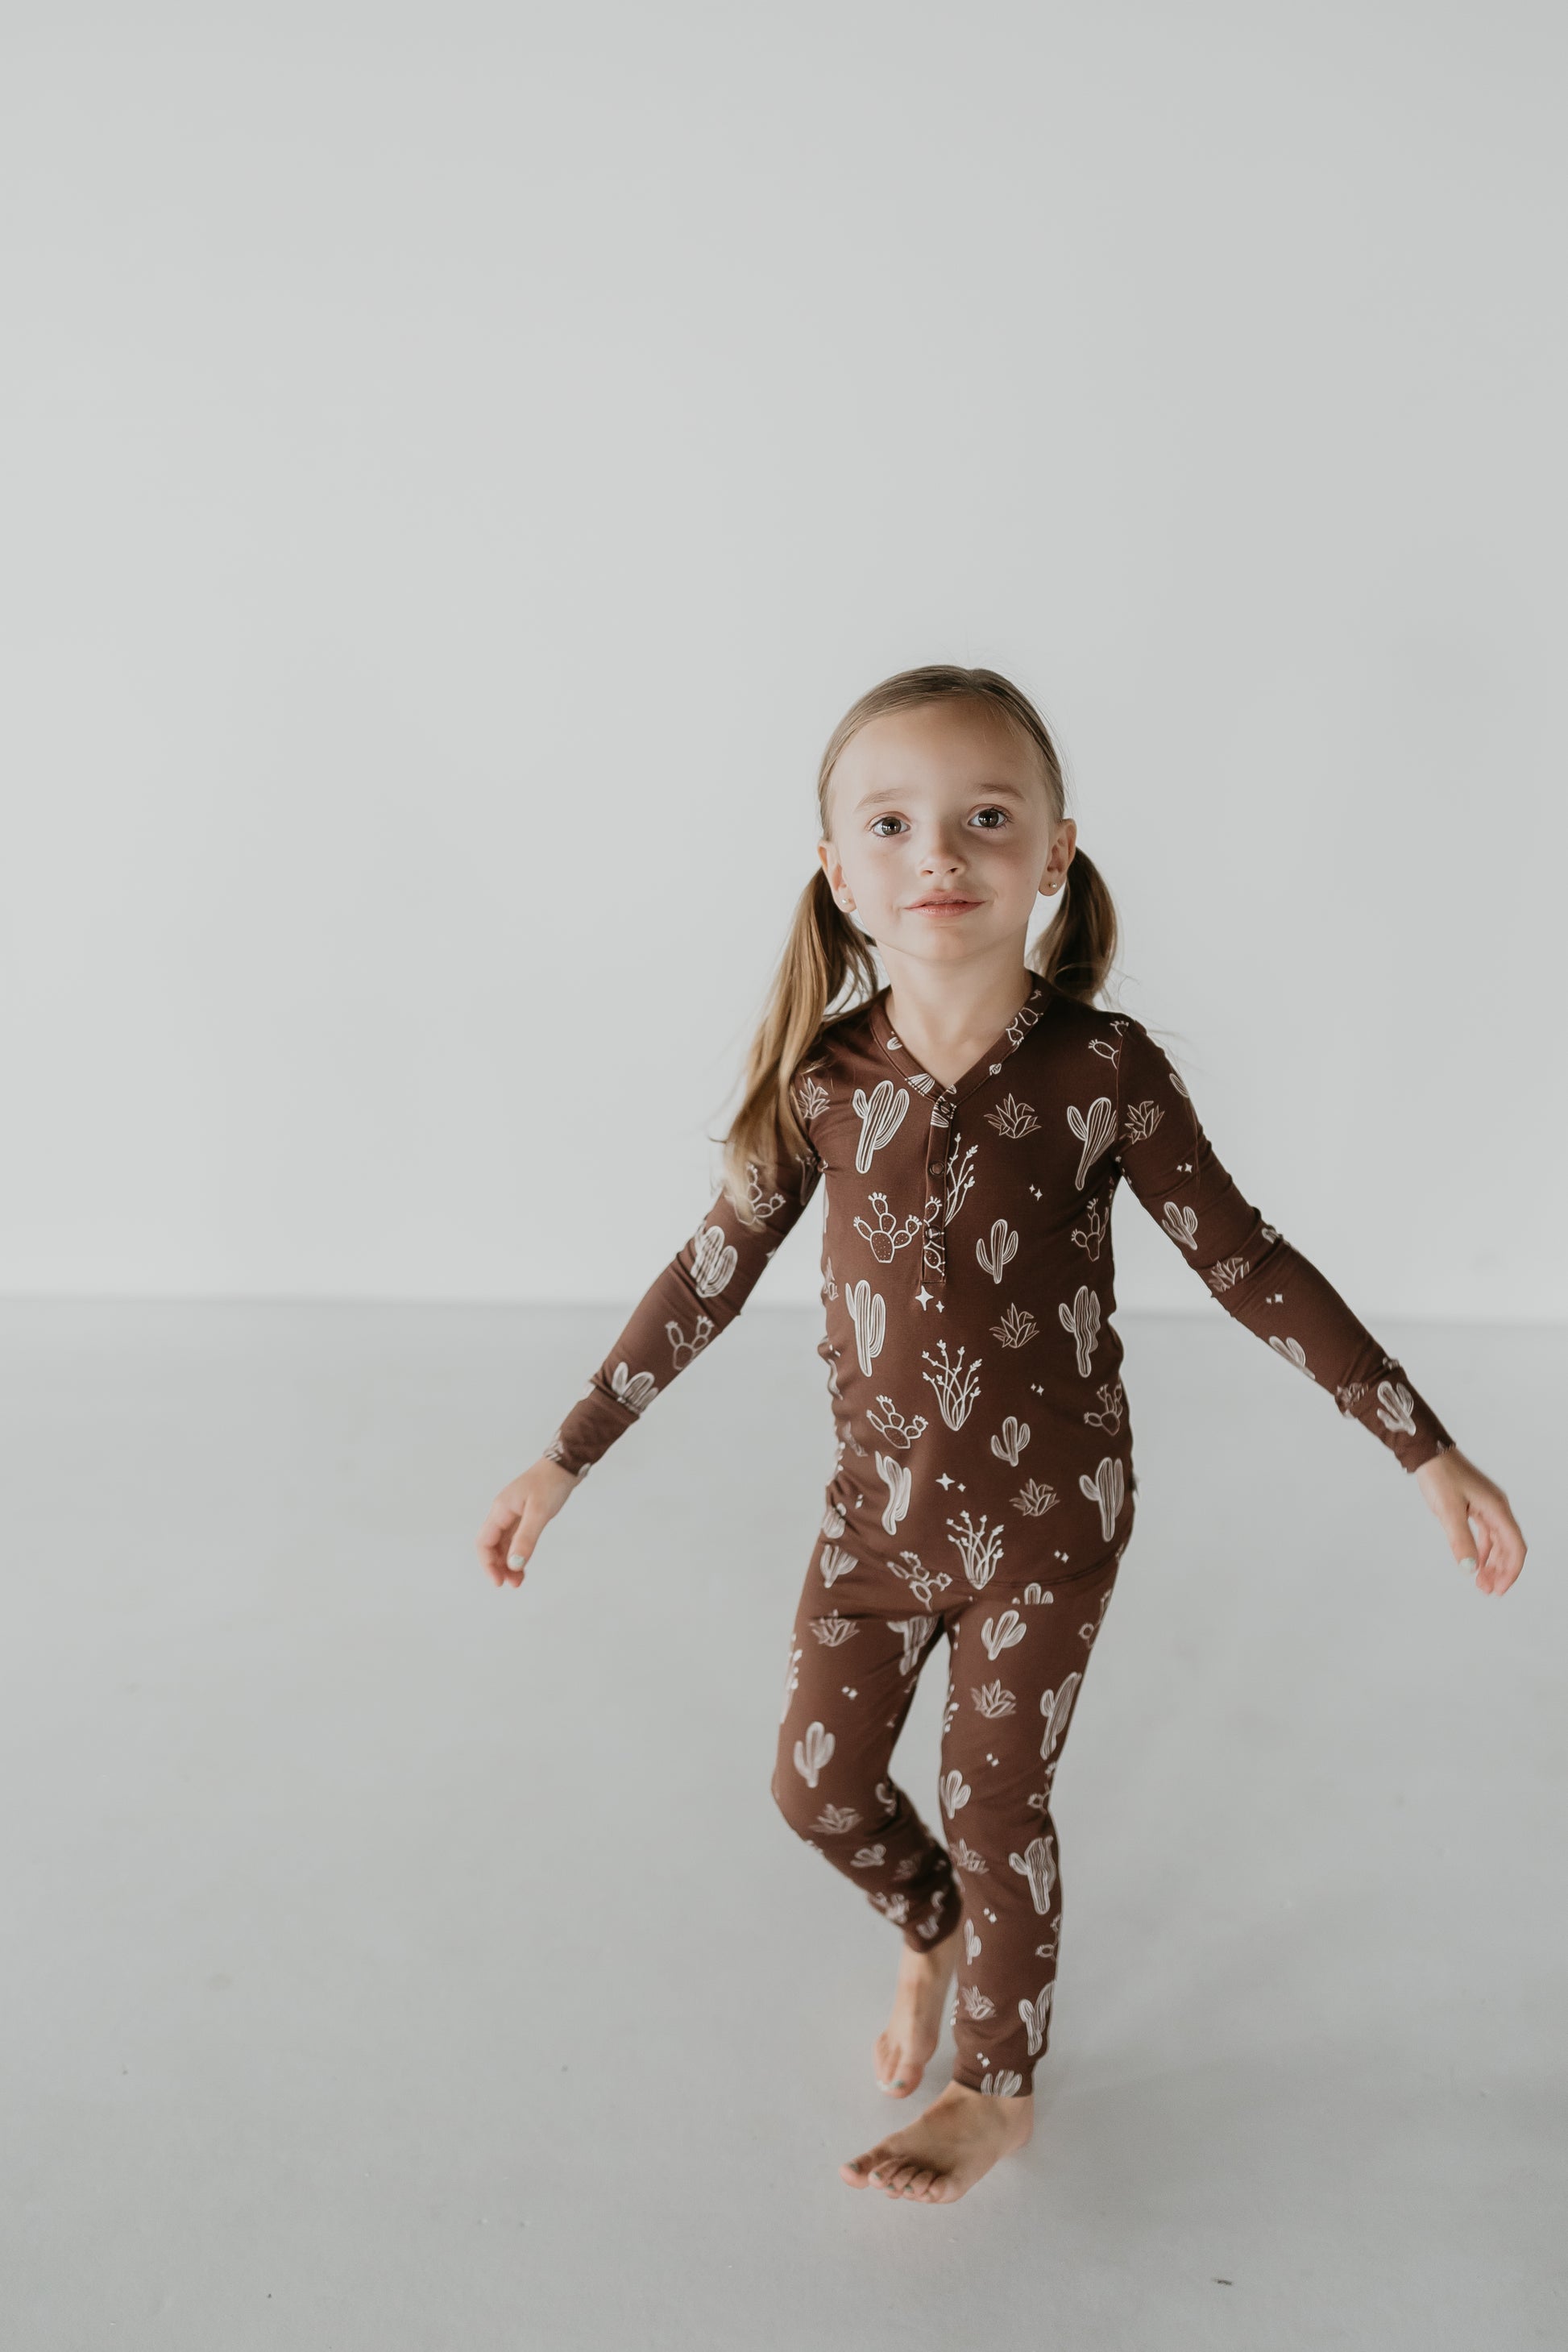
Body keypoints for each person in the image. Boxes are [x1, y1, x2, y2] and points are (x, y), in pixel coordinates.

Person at [475, 664, 1527, 2205]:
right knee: (815, 1790)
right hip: (875, 1523)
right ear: (838, 874)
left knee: (991, 1802)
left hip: (1049, 1523)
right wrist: (563, 1456)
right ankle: (934, 1932)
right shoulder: (825, 1080)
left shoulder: (1100, 1070)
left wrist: (1419, 1444)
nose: (939, 856)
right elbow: (708, 1276)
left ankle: (999, 2084)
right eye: (891, 825)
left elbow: (1244, 1261)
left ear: (1055, 852)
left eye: (984, 818)